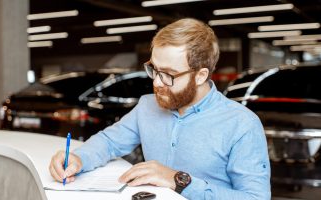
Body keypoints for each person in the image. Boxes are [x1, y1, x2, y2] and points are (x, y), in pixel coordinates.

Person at [49, 18, 271, 200]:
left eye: (168, 74)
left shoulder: (242, 124)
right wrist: (79, 158)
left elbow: (255, 198)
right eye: (154, 69)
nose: (156, 82)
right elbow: (108, 142)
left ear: (201, 75)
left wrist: (179, 180)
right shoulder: (147, 106)